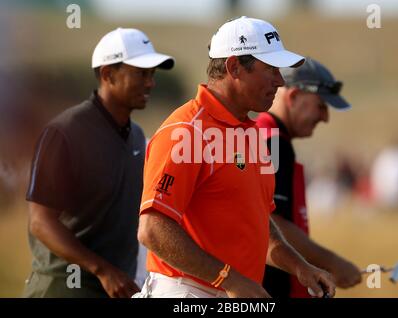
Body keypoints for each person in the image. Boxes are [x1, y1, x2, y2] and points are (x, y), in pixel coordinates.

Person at [134, 17, 336, 298]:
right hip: (186, 293)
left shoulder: (252, 134)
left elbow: (257, 220)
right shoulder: (187, 131)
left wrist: (300, 267)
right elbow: (152, 230)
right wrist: (229, 280)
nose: (280, 80)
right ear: (234, 67)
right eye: (270, 68)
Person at [24, 28, 174, 298]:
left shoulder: (138, 136)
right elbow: (40, 221)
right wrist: (103, 270)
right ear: (108, 74)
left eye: (152, 74)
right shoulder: (65, 132)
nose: (151, 82)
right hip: (61, 289)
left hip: (116, 290)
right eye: (141, 73)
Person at [256, 57, 362, 298]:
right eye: (321, 106)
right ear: (293, 98)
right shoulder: (273, 142)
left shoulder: (266, 135)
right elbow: (271, 222)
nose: (325, 117)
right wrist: (332, 262)